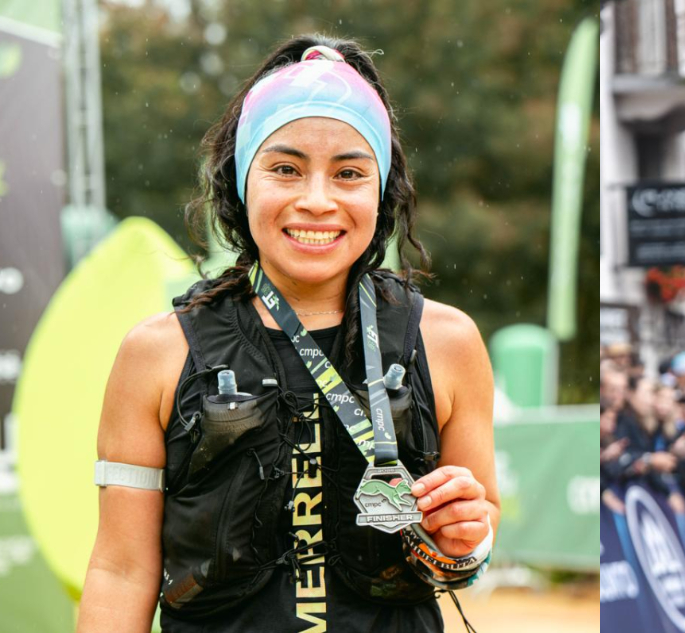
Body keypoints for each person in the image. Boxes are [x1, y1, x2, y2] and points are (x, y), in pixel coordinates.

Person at [78, 35, 499, 632]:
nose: (317, 200)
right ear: (240, 180)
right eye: (285, 168)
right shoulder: (156, 355)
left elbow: (469, 548)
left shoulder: (448, 342)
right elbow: (121, 571)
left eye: (349, 172)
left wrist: (464, 543)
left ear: (381, 191)